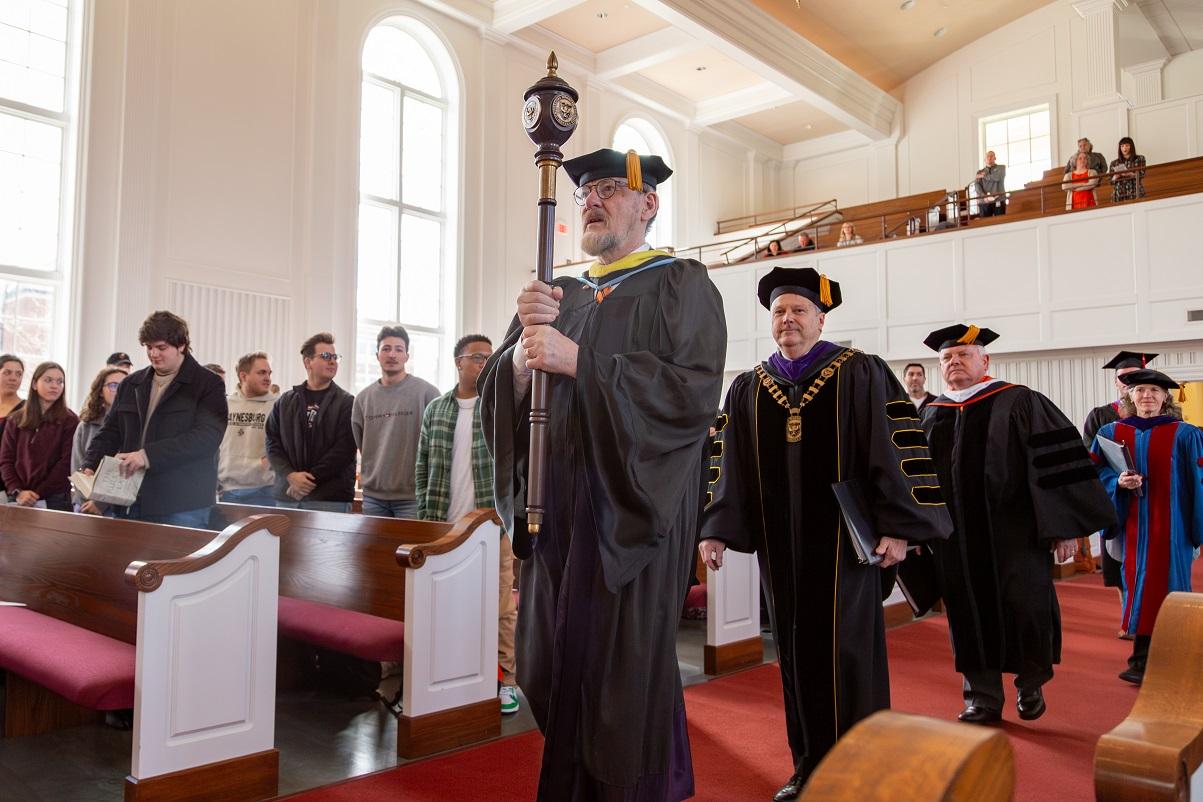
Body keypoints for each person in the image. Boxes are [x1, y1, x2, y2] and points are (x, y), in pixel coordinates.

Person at [478, 147, 725, 800]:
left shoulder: (682, 283)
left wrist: (580, 361)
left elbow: (691, 393)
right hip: (554, 514)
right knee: (549, 665)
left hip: (628, 516)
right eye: (587, 190)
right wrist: (518, 365)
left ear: (648, 205)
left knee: (619, 677)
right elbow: (503, 387)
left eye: (611, 188)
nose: (592, 198)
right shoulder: (559, 293)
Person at [698, 267, 953, 800]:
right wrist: (716, 528)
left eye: (797, 311)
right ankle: (809, 766)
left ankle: (865, 768)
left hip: (846, 547)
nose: (787, 320)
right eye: (778, 312)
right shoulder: (749, 386)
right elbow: (727, 463)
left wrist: (900, 529)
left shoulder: (860, 372)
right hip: (781, 548)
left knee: (849, 654)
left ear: (820, 318)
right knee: (793, 656)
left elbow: (896, 447)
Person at [920, 324, 1115, 724]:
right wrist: (919, 529)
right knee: (966, 612)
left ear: (985, 360)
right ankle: (982, 696)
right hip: (956, 537)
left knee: (1025, 607)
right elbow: (918, 478)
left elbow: (1055, 466)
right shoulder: (930, 413)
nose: (954, 362)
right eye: (946, 358)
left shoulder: (1020, 401)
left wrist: (1062, 527)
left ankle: (1030, 681)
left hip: (1017, 532)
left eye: (963, 355)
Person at [415, 334, 520, 715]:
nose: (483, 363)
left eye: (489, 358)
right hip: (445, 523)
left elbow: (515, 463)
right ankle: (452, 674)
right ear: (458, 362)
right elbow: (423, 464)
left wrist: (509, 512)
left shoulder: (500, 405)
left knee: (501, 605)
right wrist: (425, 518)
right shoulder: (437, 409)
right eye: (477, 357)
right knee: (447, 603)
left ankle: (506, 680)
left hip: (491, 522)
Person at [1091, 369, 1203, 685]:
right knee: (1137, 585)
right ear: (1130, 396)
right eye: (1140, 390)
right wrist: (1118, 483)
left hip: (1173, 527)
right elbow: (1097, 475)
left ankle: (1173, 658)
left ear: (1165, 397)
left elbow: (1198, 482)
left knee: (1170, 586)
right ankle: (1140, 660)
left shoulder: (1184, 434)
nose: (1147, 396)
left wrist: (1197, 527)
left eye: (1154, 390)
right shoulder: (1112, 433)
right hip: (1132, 525)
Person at [82, 311, 228, 526]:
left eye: (161, 348)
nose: (153, 354)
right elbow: (111, 431)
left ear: (181, 345)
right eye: (149, 347)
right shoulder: (131, 383)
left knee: (177, 561)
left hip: (183, 502)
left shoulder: (208, 384)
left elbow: (207, 437)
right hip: (132, 496)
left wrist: (147, 456)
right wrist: (91, 463)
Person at [1083, 351, 1158, 593]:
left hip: (1155, 498)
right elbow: (1090, 461)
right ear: (1116, 383)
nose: (1129, 382)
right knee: (1118, 565)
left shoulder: (1164, 417)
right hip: (1116, 499)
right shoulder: (1102, 416)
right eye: (1123, 378)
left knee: (1156, 563)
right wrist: (1116, 481)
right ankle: (1127, 618)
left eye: (1135, 376)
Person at [352, 325, 439, 518]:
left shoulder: (427, 393)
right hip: (373, 496)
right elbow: (361, 443)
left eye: (398, 349)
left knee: (410, 548)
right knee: (374, 548)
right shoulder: (362, 399)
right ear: (377, 355)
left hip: (413, 496)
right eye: (386, 349)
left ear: (407, 356)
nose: (392, 354)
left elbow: (437, 445)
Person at [264, 333, 356, 512]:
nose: (332, 362)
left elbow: (344, 449)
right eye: (326, 356)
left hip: (329, 497)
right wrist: (290, 475)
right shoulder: (285, 401)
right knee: (285, 541)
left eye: (335, 357)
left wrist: (306, 481)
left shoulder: (347, 402)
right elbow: (272, 442)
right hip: (288, 495)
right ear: (307, 362)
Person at [1, 361, 78, 511]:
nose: (55, 386)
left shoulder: (70, 420)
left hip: (55, 498)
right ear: (35, 384)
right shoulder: (16, 419)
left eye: (60, 382)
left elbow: (66, 463)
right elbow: (5, 460)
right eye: (48, 380)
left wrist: (37, 493)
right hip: (17, 496)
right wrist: (18, 491)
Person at [218, 351, 278, 507]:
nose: (268, 378)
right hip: (227, 490)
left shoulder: (277, 406)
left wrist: (267, 462)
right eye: (261, 373)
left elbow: (287, 444)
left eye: (269, 373)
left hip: (263, 490)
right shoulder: (224, 404)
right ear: (243, 376)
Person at [71, 365, 129, 512]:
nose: (119, 390)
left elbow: (125, 471)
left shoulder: (132, 426)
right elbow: (77, 466)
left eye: (124, 385)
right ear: (100, 391)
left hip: (116, 505)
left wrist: (100, 504)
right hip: (84, 502)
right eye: (113, 385)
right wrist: (86, 499)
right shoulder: (86, 425)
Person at [0, 354, 25, 500]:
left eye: (18, 374)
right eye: (7, 373)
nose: (13, 378)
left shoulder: (27, 410)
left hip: (10, 486)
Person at [1110, 137, 1146, 203]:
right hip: (1119, 193)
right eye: (1122, 146)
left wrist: (1130, 174)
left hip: (1135, 190)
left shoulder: (1140, 158)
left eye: (1127, 145)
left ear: (1131, 146)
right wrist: (1115, 176)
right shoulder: (1114, 163)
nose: (1124, 148)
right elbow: (1111, 181)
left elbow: (1142, 174)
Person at [974, 150, 1007, 217]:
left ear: (995, 158)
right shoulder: (980, 172)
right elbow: (977, 186)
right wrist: (984, 196)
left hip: (999, 199)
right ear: (984, 159)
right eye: (987, 156)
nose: (989, 158)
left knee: (1000, 223)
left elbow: (997, 177)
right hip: (985, 201)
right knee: (985, 224)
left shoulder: (1001, 168)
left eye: (991, 156)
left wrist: (983, 176)